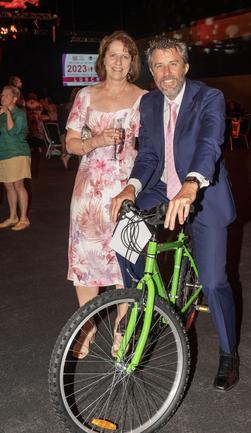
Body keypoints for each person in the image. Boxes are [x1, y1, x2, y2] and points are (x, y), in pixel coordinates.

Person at [111, 36, 239, 391]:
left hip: (202, 194)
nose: (166, 73)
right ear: (151, 71)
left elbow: (209, 143)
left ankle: (229, 353)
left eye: (172, 64)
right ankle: (141, 302)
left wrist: (192, 183)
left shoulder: (208, 97)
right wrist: (131, 187)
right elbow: (149, 154)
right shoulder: (150, 102)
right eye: (158, 66)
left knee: (214, 282)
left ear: (185, 66)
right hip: (161, 192)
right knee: (124, 231)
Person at [65, 30, 147, 358]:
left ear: (131, 63)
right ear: (103, 60)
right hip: (88, 193)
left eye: (124, 55)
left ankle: (121, 329)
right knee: (86, 261)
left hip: (126, 190)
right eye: (112, 54)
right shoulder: (85, 95)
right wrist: (94, 141)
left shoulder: (144, 98)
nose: (117, 61)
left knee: (124, 262)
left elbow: (154, 148)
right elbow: (70, 143)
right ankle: (87, 325)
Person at [0, 85, 31, 231]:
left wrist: (7, 113)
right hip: (4, 154)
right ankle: (13, 216)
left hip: (18, 153)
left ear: (14, 98)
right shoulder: (2, 113)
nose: (2, 97)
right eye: (2, 95)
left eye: (6, 95)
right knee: (8, 186)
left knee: (18, 186)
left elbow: (13, 132)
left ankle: (24, 218)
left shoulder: (19, 113)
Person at [58, 88, 78, 169]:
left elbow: (62, 121)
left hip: (64, 130)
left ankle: (66, 156)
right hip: (73, 128)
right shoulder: (76, 105)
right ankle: (67, 156)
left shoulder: (65, 105)